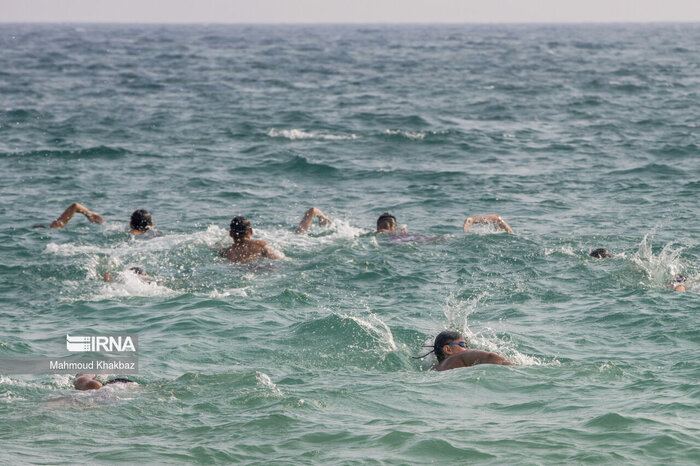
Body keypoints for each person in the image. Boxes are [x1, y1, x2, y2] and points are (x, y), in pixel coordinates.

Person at [416, 330, 512, 371]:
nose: (468, 349)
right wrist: (517, 367)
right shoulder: (457, 358)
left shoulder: (435, 369)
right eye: (463, 345)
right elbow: (489, 357)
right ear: (448, 349)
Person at [219, 216, 284, 264]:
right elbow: (279, 258)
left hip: (237, 270)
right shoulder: (260, 244)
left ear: (230, 234)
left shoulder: (226, 252)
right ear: (251, 231)